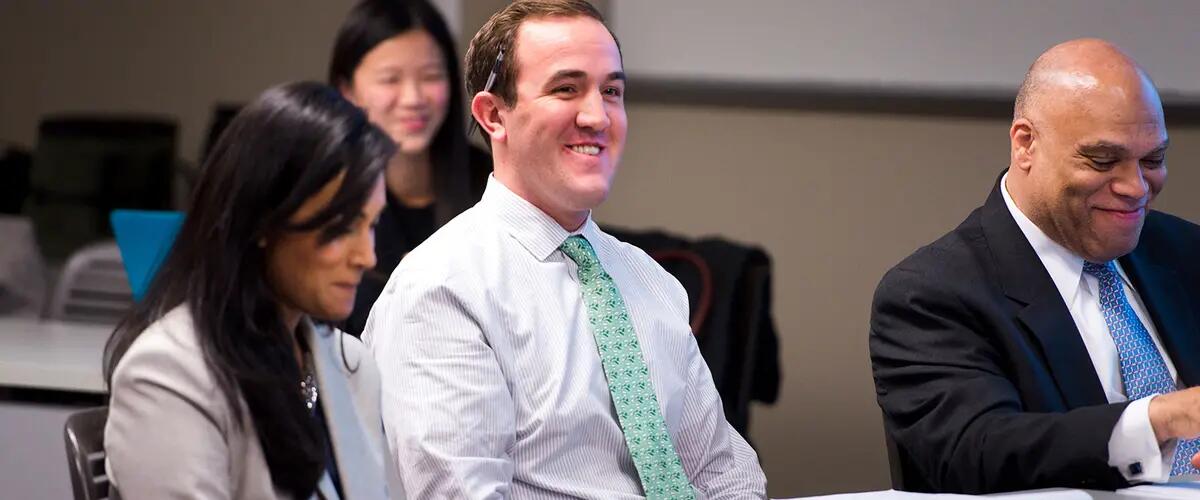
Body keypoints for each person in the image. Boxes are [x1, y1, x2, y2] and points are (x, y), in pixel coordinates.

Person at [363, 1, 767, 498]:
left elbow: (723, 474)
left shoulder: (650, 282)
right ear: (494, 115)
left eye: (612, 91)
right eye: (566, 89)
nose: (598, 116)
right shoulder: (441, 288)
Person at [870, 38, 1200, 494]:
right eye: (1103, 160)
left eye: (1153, 160)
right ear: (1026, 144)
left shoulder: (1186, 252)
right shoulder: (932, 293)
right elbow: (972, 452)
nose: (1135, 186)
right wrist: (1159, 420)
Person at [103, 82, 399, 499]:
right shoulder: (169, 373)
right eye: (341, 227)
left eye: (371, 226)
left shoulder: (351, 363)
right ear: (262, 221)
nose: (366, 256)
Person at [329, 0, 492, 336]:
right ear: (347, 91)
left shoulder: (495, 182)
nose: (413, 98)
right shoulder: (329, 193)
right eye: (390, 79)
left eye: (431, 76)